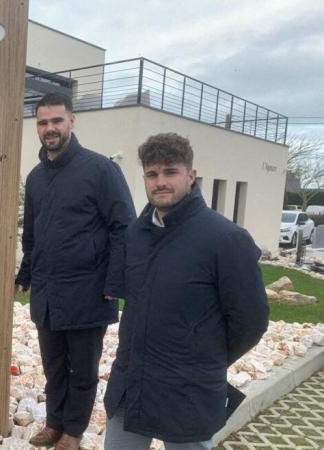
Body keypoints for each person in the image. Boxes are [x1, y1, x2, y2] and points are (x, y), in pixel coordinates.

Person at [103, 133, 269, 449]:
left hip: (188, 390)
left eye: (170, 172)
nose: (160, 181)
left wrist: (204, 356)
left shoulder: (225, 239)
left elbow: (251, 322)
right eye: (152, 174)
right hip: (131, 384)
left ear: (190, 176)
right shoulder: (136, 235)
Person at [15, 93, 136, 450]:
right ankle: (54, 422)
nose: (50, 129)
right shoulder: (36, 178)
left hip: (89, 290)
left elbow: (123, 227)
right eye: (43, 123)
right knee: (53, 367)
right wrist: (25, 274)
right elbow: (32, 234)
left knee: (82, 370)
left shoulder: (100, 170)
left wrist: (115, 281)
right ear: (37, 127)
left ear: (72, 121)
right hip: (48, 294)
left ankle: (73, 432)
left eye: (57, 121)